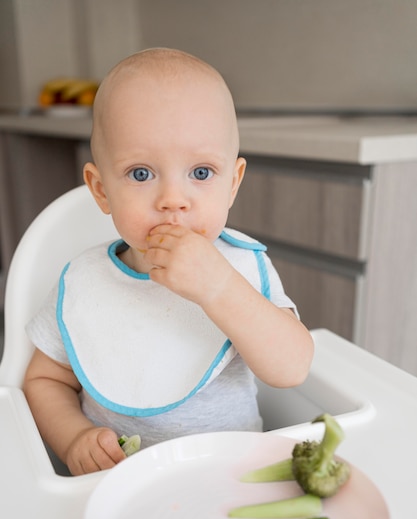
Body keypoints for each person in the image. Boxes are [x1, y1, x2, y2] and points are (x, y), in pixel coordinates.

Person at [23, 48, 314, 476]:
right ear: (101, 190)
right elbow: (44, 380)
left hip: (233, 475)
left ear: (232, 184)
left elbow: (292, 368)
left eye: (200, 173)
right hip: (119, 488)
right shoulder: (82, 281)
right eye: (141, 173)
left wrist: (219, 288)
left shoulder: (240, 270)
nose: (172, 201)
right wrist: (74, 439)